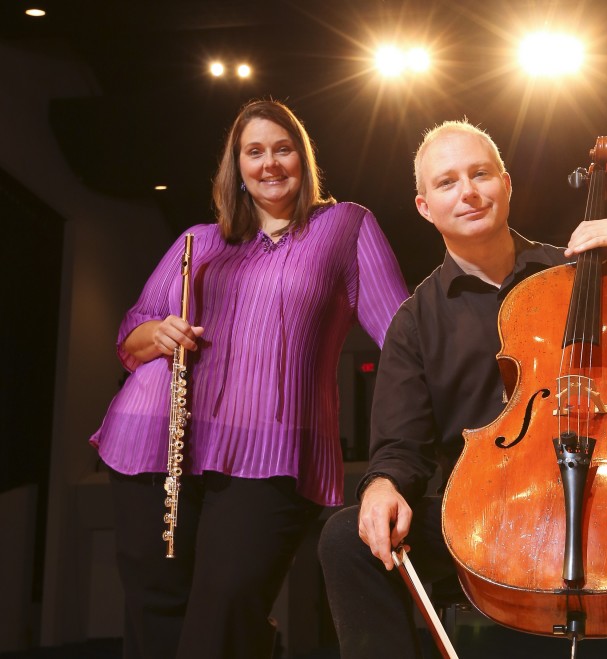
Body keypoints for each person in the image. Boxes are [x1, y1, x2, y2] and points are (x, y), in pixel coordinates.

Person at [318, 120, 607, 658]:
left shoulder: (584, 271)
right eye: (447, 182)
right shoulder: (416, 321)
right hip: (488, 517)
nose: (468, 191)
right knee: (348, 537)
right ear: (424, 206)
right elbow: (400, 446)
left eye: (480, 174)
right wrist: (381, 487)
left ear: (506, 184)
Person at [89, 99, 409, 659]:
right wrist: (158, 333)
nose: (269, 164)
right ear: (236, 167)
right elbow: (130, 336)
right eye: (253, 152)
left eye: (282, 149)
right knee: (154, 607)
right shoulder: (197, 240)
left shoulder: (344, 226)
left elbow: (403, 336)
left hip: (271, 449)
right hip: (154, 435)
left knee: (228, 609)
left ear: (302, 158)